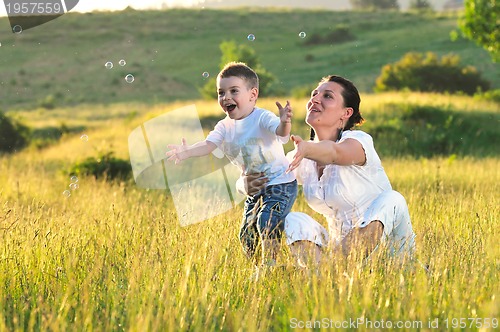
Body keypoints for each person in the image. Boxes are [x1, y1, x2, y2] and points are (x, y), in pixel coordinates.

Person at [240, 75, 416, 268]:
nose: (315, 99)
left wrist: (307, 149)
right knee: (293, 219)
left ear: (346, 113)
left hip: (390, 253)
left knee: (392, 199)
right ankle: (320, 275)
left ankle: (332, 270)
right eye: (314, 94)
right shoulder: (302, 156)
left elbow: (334, 153)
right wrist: (245, 185)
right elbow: (264, 176)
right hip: (340, 254)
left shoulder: (358, 142)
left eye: (327, 96)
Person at [166, 62, 298, 269]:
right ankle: (257, 268)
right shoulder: (224, 126)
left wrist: (285, 122)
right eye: (221, 93)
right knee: (246, 234)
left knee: (266, 220)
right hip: (254, 189)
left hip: (279, 184)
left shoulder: (262, 117)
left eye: (233, 91)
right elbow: (208, 145)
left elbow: (281, 134)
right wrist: (187, 151)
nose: (226, 97)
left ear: (252, 95)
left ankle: (270, 263)